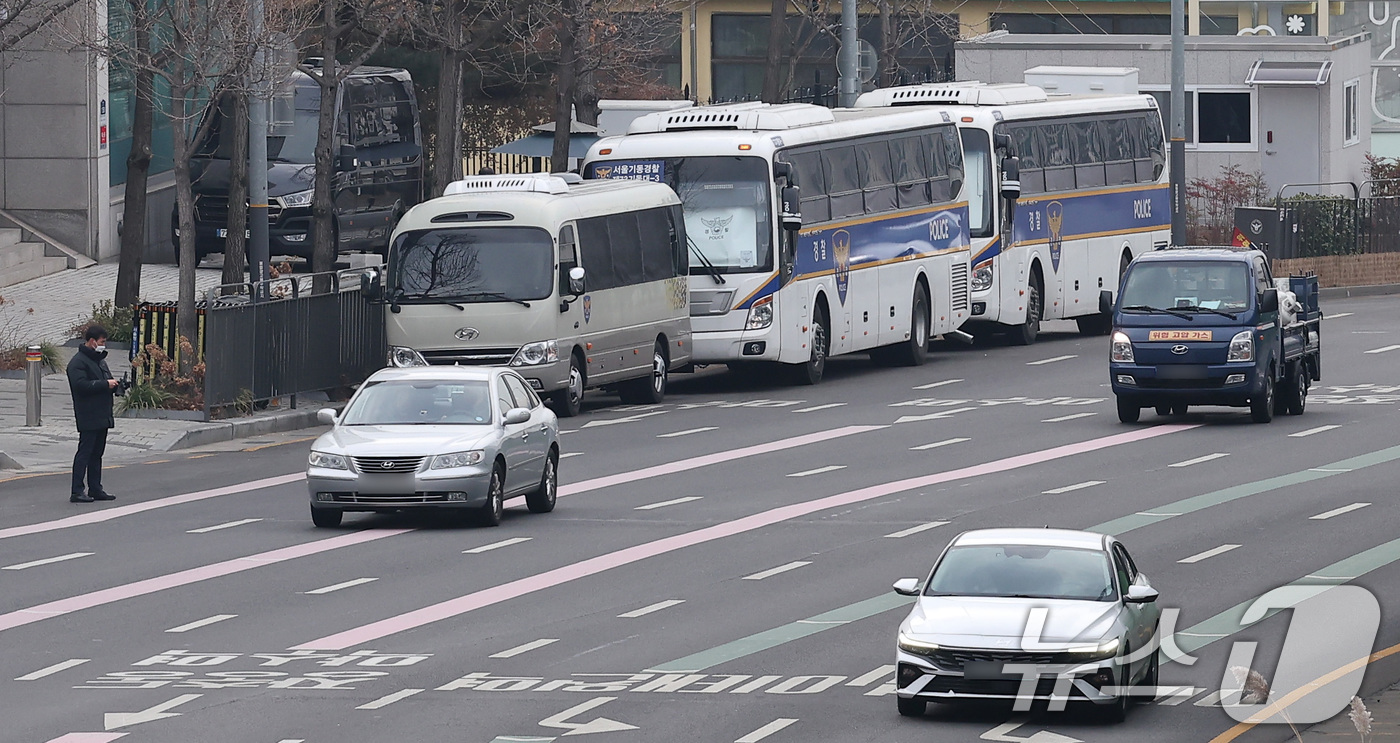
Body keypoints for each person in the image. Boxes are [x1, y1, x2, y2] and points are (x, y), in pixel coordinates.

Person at [67, 325, 118, 503]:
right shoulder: (78, 362)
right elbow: (81, 386)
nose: (104, 345)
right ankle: (77, 490)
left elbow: (105, 380)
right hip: (88, 413)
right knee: (85, 452)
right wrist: (105, 385)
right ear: (92, 341)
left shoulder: (99, 360)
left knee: (97, 453)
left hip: (102, 413)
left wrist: (115, 386)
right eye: (102, 342)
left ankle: (95, 488)